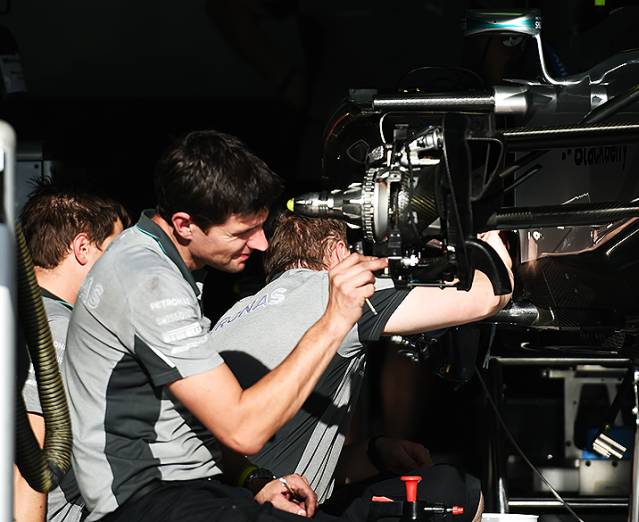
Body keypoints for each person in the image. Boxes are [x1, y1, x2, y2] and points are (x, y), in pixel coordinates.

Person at [61, 130, 387, 521]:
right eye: (243, 232)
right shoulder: (147, 282)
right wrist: (334, 320)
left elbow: (189, 427)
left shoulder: (154, 260)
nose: (263, 244)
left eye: (262, 226)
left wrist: (256, 480)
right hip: (144, 501)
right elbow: (244, 430)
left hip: (188, 491)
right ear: (184, 225)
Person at [209, 213, 513, 520]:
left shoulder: (231, 315)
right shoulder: (337, 294)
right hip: (271, 511)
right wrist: (493, 241)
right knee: (454, 491)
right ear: (340, 252)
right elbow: (487, 297)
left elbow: (282, 456)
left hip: (219, 497)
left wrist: (374, 452)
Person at [15, 181, 130, 522]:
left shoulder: (18, 313)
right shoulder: (58, 328)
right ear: (83, 248)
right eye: (115, 252)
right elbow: (28, 467)